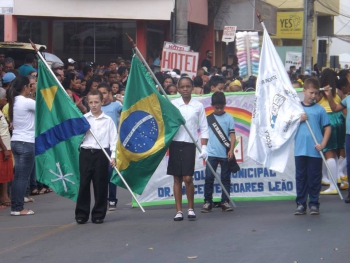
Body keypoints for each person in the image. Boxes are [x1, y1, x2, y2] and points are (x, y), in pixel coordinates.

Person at [168, 77, 209, 221]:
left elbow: (204, 127)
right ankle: (179, 211)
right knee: (177, 178)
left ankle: (191, 208)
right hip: (175, 143)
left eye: (188, 86)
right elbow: (168, 124)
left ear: (192, 88)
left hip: (189, 144)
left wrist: (204, 147)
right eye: (182, 87)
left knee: (188, 178)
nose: (185, 89)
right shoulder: (173, 105)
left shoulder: (198, 106)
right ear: (178, 89)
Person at [75, 89, 117, 224]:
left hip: (101, 153)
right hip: (86, 153)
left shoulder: (108, 120)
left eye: (96, 102)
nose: (93, 105)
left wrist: (113, 156)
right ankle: (82, 213)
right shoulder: (84, 119)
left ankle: (98, 213)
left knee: (100, 184)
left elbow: (113, 140)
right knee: (84, 184)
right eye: (91, 102)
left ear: (101, 102)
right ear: (87, 103)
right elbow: (77, 136)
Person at [294, 78, 331, 215]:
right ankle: (301, 204)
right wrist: (299, 119)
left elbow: (327, 128)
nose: (313, 96)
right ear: (304, 91)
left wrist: (323, 144)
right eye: (310, 93)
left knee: (315, 177)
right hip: (300, 149)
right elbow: (287, 125)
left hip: (315, 149)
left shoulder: (320, 110)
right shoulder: (296, 109)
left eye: (315, 93)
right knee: (301, 177)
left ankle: (314, 203)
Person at [201, 92, 235, 213]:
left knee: (225, 178)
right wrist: (203, 148)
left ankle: (225, 201)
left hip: (225, 153)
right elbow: (204, 135)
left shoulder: (229, 117)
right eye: (217, 108)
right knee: (209, 178)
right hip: (211, 154)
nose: (219, 110)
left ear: (225, 104)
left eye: (222, 107)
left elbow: (232, 135)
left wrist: (231, 150)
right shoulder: (208, 119)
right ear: (212, 105)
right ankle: (207, 202)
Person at [8, 76, 36, 216]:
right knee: (22, 177)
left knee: (18, 176)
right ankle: (18, 207)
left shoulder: (15, 102)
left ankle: (16, 206)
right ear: (25, 87)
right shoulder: (26, 102)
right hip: (26, 142)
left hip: (16, 141)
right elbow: (43, 108)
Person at [317, 69, 345, 194]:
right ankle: (337, 178)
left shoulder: (320, 93)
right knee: (337, 151)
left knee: (328, 152)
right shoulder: (339, 92)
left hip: (327, 119)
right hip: (339, 119)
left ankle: (332, 185)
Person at [97, 83, 122, 211]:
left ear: (109, 94)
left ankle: (112, 199)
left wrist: (123, 100)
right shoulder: (95, 108)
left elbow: (127, 111)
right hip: (98, 145)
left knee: (111, 172)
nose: (103, 96)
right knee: (100, 175)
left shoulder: (116, 106)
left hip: (112, 145)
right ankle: (101, 200)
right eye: (100, 93)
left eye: (105, 93)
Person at [324, 83, 350, 202]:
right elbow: (334, 108)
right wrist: (329, 95)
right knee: (349, 164)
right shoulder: (347, 99)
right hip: (348, 134)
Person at [0, 88, 13, 208]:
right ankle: (3, 197)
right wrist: (3, 148)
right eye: (4, 97)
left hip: (6, 145)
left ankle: (4, 196)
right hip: (2, 147)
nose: (5, 99)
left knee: (5, 174)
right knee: (1, 173)